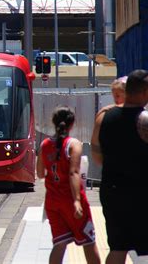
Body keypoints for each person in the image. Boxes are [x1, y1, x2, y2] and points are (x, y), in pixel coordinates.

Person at [91, 69, 148, 263]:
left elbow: (97, 157)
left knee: (118, 247)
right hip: (142, 193)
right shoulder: (146, 120)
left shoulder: (103, 117)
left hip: (113, 191)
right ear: (144, 92)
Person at [37, 106, 100, 264]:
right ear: (72, 124)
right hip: (71, 200)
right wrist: (77, 200)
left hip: (52, 201)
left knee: (59, 243)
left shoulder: (44, 145)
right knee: (88, 241)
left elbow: (39, 173)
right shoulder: (73, 144)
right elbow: (74, 173)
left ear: (53, 123)